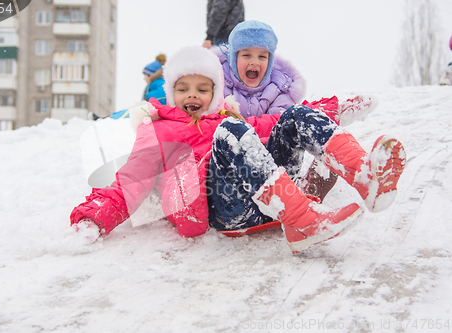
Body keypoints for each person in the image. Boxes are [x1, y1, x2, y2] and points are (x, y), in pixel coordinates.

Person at [70, 46, 406, 254]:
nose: (193, 96)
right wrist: (91, 219)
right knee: (231, 131)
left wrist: (333, 107)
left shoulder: (224, 118)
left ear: (214, 93)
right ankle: (303, 221)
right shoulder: (157, 131)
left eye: (202, 89)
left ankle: (366, 179)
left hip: (264, 201)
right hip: (220, 210)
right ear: (170, 92)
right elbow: (129, 182)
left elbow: (276, 123)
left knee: (292, 116)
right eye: (183, 88)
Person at [213, 20, 378, 202]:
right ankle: (299, 189)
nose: (255, 61)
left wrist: (321, 112)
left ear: (271, 60)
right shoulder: (214, 85)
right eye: (246, 55)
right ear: (232, 57)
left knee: (297, 119)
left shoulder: (280, 87)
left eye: (262, 56)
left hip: (271, 162)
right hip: (231, 168)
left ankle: (362, 172)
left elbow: (286, 126)